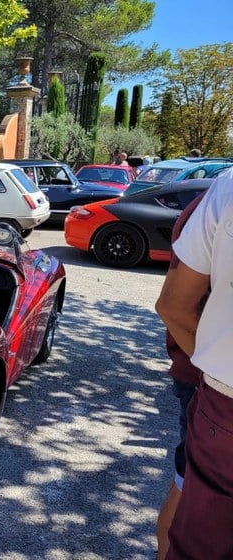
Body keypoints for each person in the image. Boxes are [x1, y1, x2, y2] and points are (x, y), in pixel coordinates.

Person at [154, 168, 233, 558]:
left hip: (214, 385)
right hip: (206, 378)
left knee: (192, 509)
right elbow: (173, 307)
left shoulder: (221, 193)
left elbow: (173, 303)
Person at [155, 192, 206, 560]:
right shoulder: (219, 200)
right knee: (192, 487)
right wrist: (217, 374)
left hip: (205, 374)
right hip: (207, 379)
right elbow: (172, 307)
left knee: (189, 483)